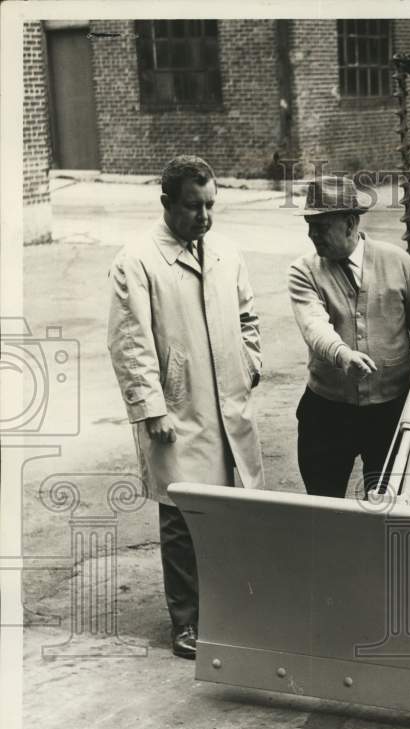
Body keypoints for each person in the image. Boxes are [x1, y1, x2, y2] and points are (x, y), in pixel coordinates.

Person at [107, 155, 264, 660]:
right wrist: (150, 406)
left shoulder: (225, 252)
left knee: (229, 512)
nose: (204, 217)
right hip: (177, 409)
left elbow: (247, 315)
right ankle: (187, 621)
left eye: (210, 205)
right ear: (167, 203)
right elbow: (129, 341)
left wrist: (250, 363)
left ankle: (230, 610)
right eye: (193, 206)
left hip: (226, 404)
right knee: (182, 519)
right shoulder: (137, 261)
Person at [288, 176, 410, 499]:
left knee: (386, 504)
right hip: (326, 412)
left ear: (350, 223)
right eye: (309, 225)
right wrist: (342, 354)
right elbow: (314, 325)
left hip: (389, 413)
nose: (312, 235)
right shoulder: (304, 271)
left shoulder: (398, 263)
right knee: (323, 507)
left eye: (321, 226)